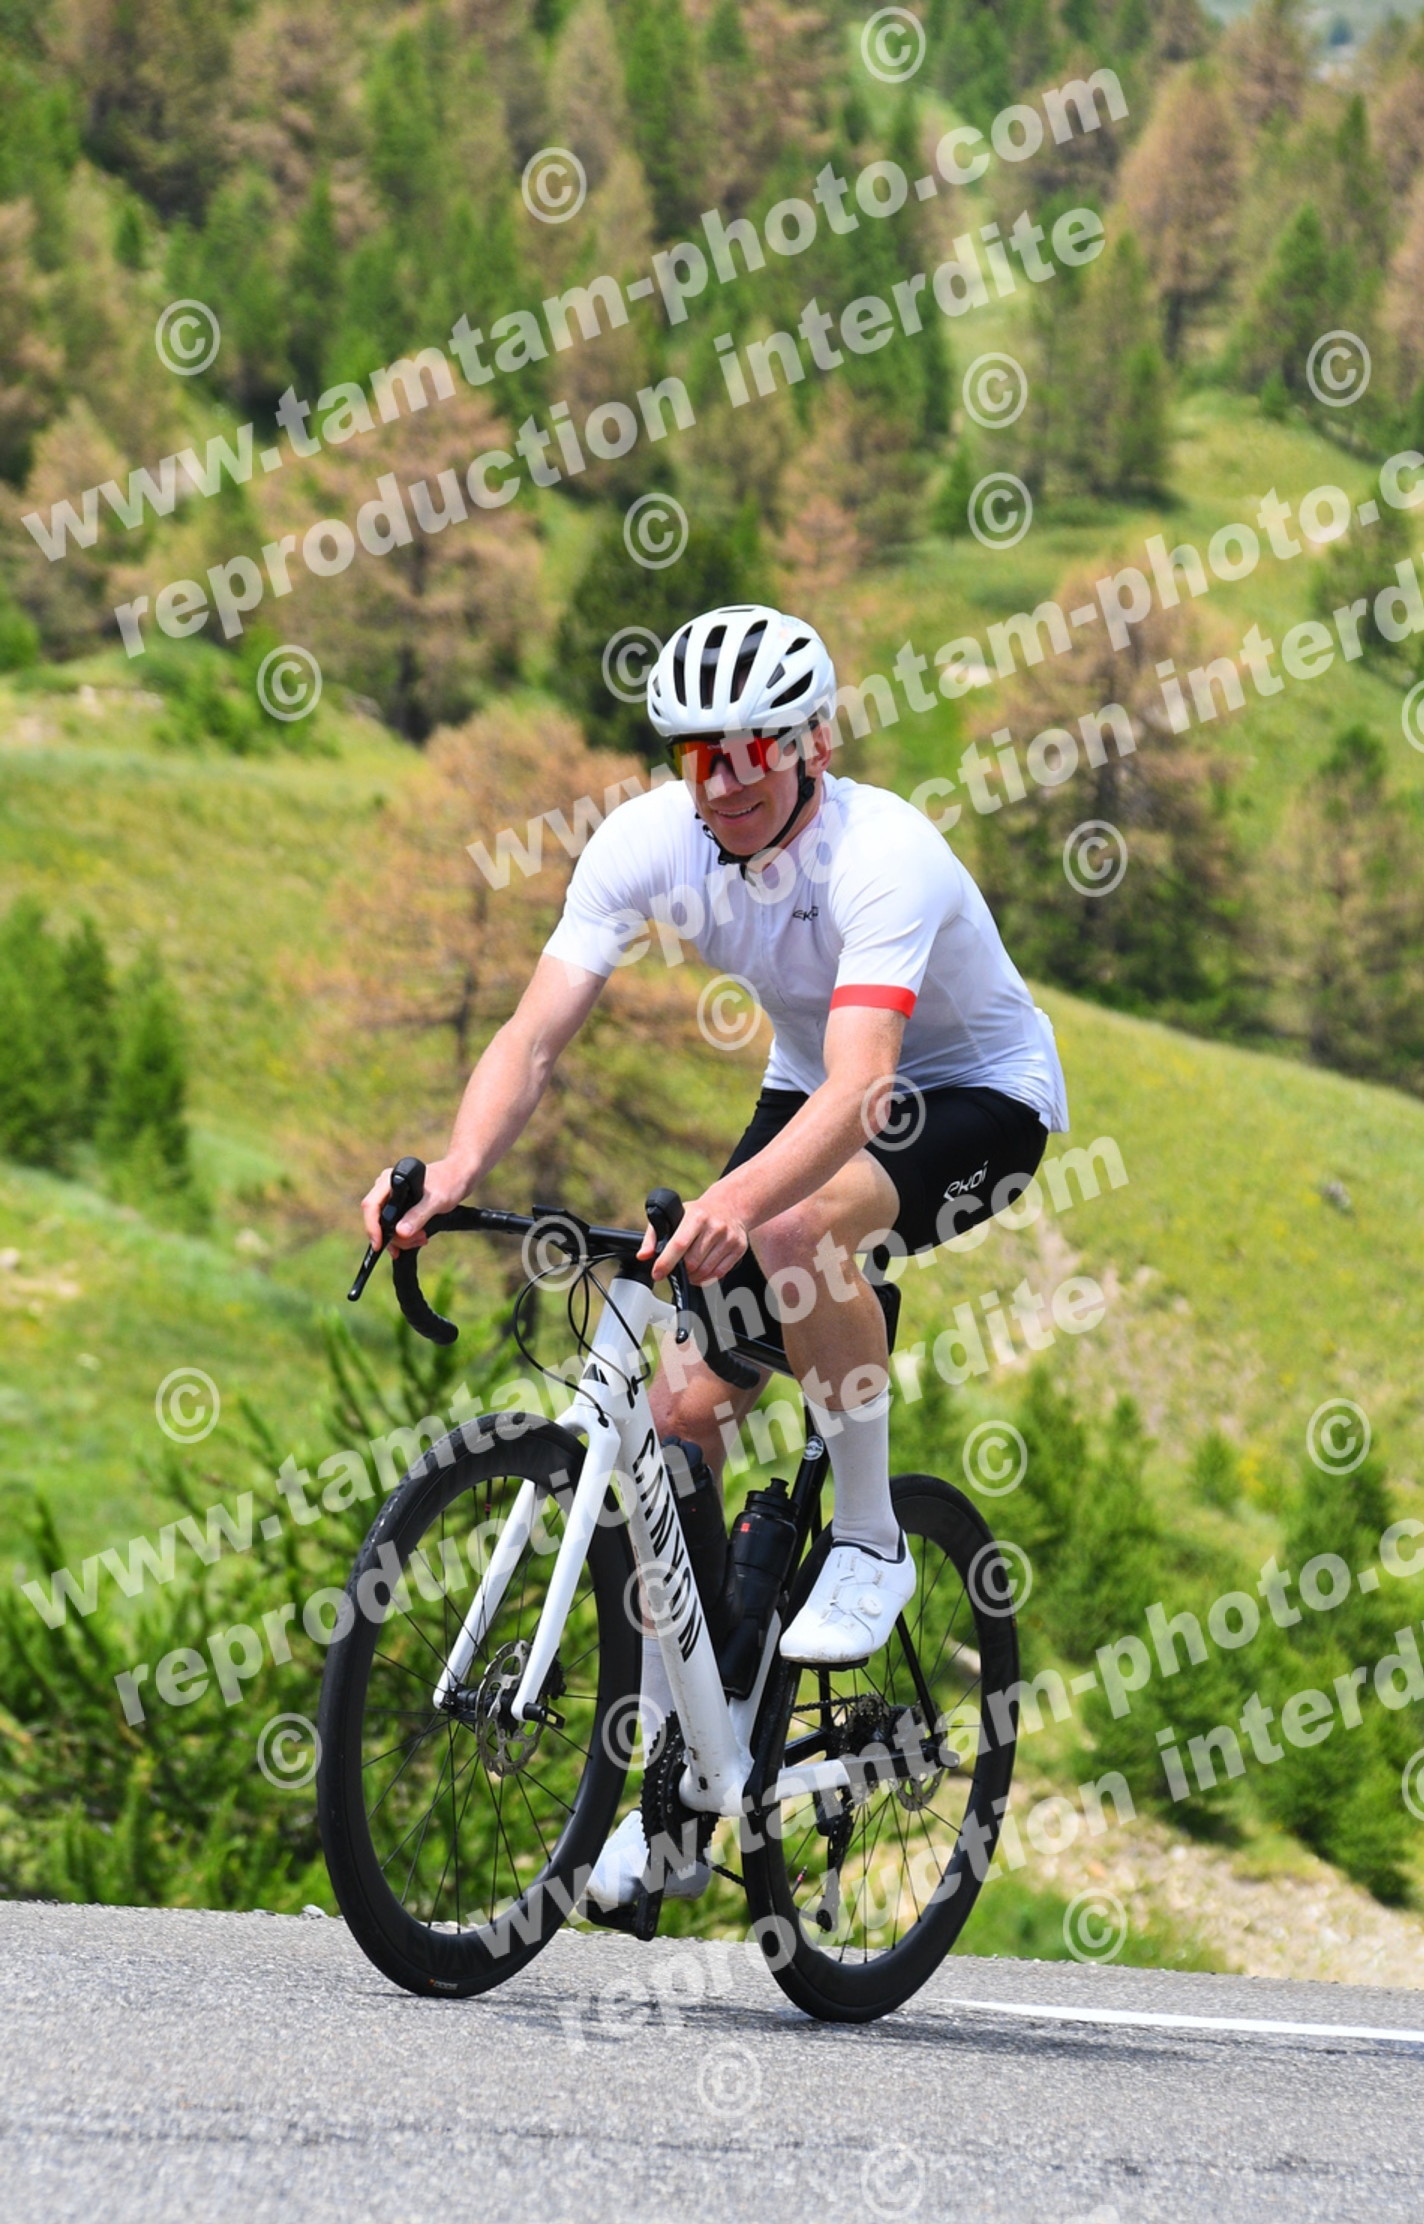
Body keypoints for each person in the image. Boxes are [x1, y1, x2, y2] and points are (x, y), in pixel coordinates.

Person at [361, 602, 1067, 1908]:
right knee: (681, 1414)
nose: (726, 781)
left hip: (973, 1098)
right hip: (810, 1093)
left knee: (793, 1230)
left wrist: (737, 1203)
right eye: (701, 755)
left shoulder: (884, 855)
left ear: (813, 743)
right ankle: (690, 1780)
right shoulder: (645, 844)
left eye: (753, 751)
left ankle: (871, 1539)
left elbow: (865, 1091)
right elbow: (533, 1036)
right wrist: (453, 1171)